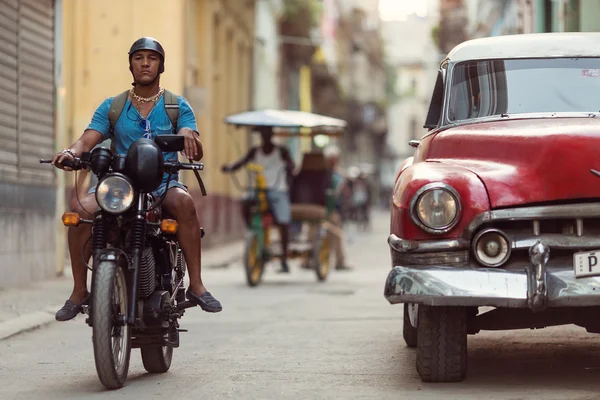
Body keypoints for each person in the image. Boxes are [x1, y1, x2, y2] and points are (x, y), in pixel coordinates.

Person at [51, 37, 222, 321]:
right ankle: (79, 290)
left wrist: (190, 136)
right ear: (130, 64)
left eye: (151, 58)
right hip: (119, 184)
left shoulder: (176, 106)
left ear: (161, 65)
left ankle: (197, 285)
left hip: (163, 182)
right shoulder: (113, 106)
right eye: (139, 57)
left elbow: (191, 137)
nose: (145, 63)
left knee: (185, 203)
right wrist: (72, 151)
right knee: (80, 211)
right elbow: (87, 139)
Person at [221, 126, 295, 273]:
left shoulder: (282, 151)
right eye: (263, 134)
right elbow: (241, 162)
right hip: (258, 189)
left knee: (284, 222)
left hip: (277, 190)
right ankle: (252, 232)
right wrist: (230, 168)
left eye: (268, 134)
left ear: (272, 135)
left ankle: (284, 258)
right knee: (245, 202)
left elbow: (292, 166)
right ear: (260, 135)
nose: (265, 137)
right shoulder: (255, 151)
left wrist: (289, 169)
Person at [323, 145, 351, 270]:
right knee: (314, 231)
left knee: (336, 233)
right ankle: (309, 259)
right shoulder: (322, 172)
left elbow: (342, 192)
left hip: (333, 208)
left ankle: (340, 261)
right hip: (321, 207)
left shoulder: (339, 174)